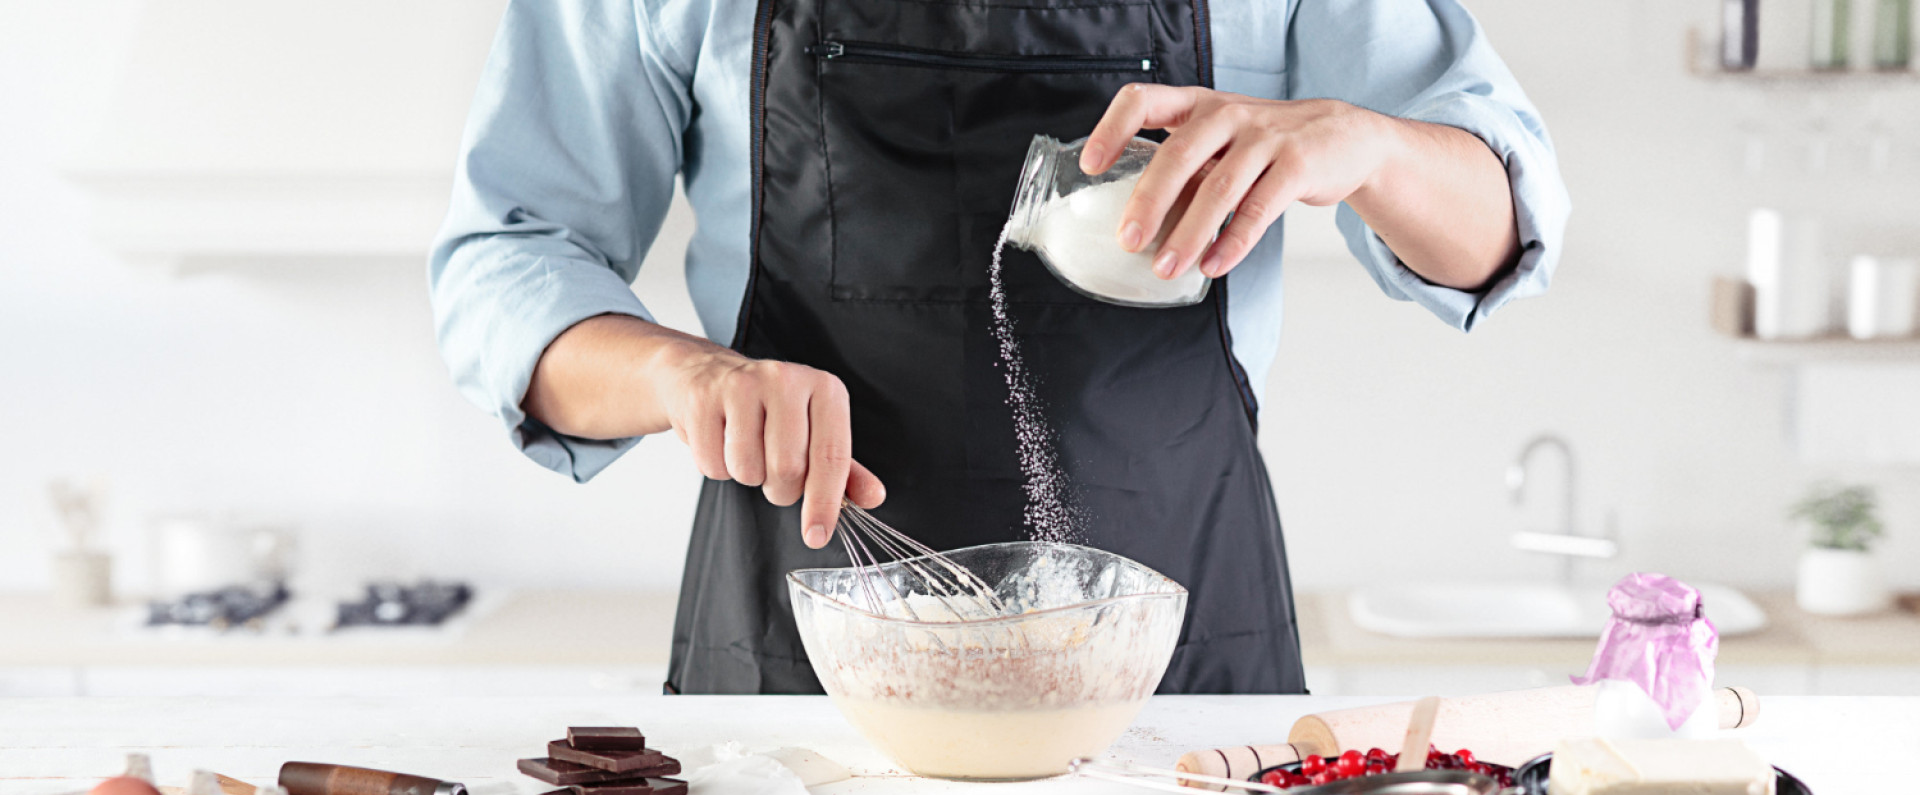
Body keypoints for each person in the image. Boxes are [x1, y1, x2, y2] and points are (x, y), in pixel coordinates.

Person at [430, 0, 1569, 694]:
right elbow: (506, 258)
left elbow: (1501, 230)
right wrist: (681, 376)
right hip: (805, 675)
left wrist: (1368, 143)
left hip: (1176, 679)